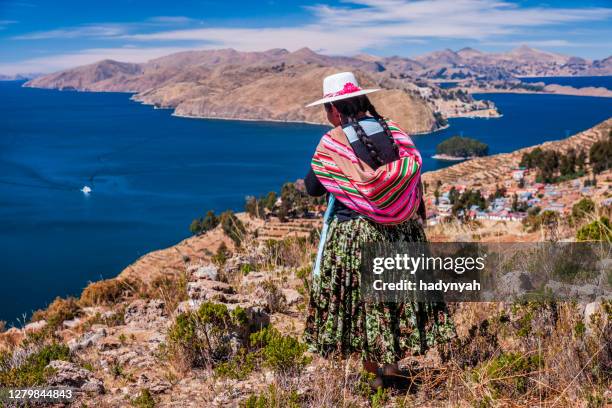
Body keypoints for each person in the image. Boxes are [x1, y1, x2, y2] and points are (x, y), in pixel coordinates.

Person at [302, 72, 454, 387]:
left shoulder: (333, 144)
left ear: (333, 110)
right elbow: (413, 178)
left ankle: (375, 380)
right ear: (362, 100)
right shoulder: (395, 132)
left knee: (363, 307)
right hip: (402, 230)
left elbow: (313, 187)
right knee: (391, 301)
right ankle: (393, 372)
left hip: (356, 235)